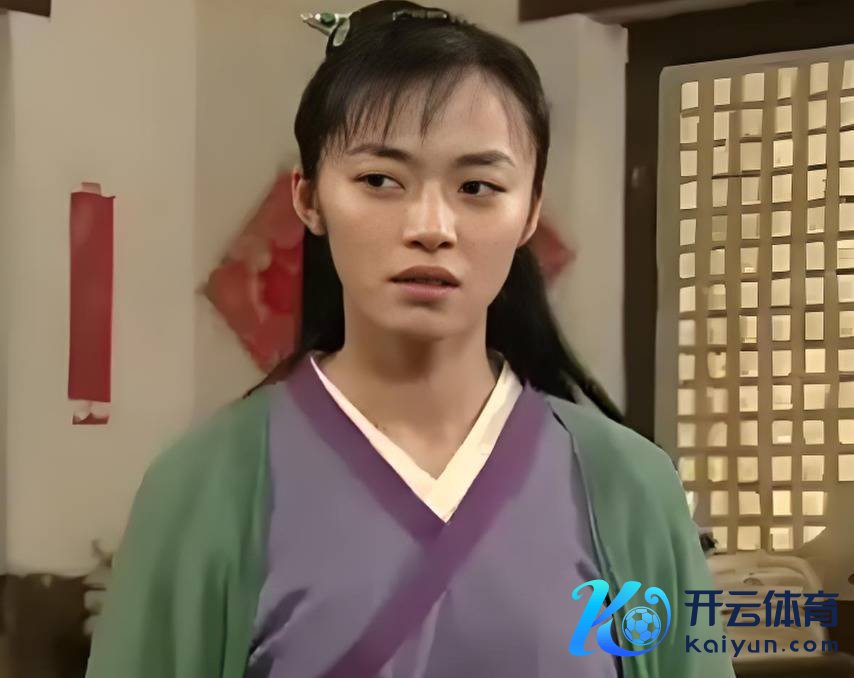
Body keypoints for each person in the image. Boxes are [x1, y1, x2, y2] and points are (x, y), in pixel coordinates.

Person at [85, 2, 734, 677]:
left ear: (529, 213)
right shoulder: (201, 491)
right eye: (379, 181)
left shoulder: (628, 488)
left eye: (477, 186)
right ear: (308, 198)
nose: (431, 226)